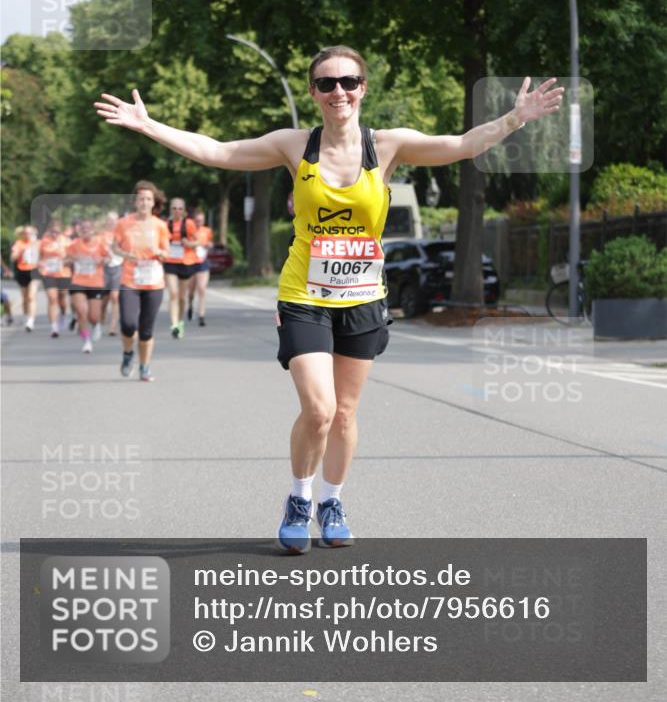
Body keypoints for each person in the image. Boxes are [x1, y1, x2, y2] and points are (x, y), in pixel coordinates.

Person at [95, 46, 563, 551]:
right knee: (318, 409)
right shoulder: (294, 145)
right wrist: (150, 126)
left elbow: (465, 144)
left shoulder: (386, 146)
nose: (338, 91)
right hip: (304, 294)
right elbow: (220, 151)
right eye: (326, 83)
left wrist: (516, 118)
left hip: (362, 296)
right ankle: (299, 497)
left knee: (344, 412)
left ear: (363, 87)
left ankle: (332, 500)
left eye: (348, 81)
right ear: (314, 93)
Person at [112, 181, 170, 382]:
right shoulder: (123, 223)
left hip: (153, 281)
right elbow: (115, 248)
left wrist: (160, 253)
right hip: (130, 280)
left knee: (146, 329)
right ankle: (128, 353)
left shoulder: (160, 225)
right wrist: (126, 254)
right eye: (141, 199)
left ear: (153, 202)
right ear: (135, 201)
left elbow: (167, 252)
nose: (144, 202)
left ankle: (144, 367)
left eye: (148, 199)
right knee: (128, 324)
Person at [66, 219, 109, 353]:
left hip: (95, 282)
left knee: (94, 316)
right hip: (78, 282)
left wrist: (101, 260)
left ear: (93, 230)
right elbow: (64, 260)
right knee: (81, 312)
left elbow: (109, 258)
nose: (85, 231)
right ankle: (86, 341)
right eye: (82, 229)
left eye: (88, 229)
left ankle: (96, 325)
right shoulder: (74, 244)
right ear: (79, 231)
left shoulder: (100, 243)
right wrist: (73, 259)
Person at [162, 198, 198, 340]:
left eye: (180, 208)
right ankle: (174, 325)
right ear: (170, 209)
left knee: (182, 297)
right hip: (171, 261)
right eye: (174, 208)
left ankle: (181, 322)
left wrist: (188, 243)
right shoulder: (166, 224)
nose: (177, 211)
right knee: (173, 293)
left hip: (186, 262)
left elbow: (197, 242)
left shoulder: (189, 224)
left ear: (184, 211)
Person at [38, 219, 71, 337]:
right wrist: (40, 263)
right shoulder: (43, 241)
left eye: (57, 232)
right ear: (48, 230)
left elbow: (72, 257)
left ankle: (62, 314)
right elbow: (38, 256)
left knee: (62, 298)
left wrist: (64, 261)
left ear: (60, 231)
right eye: (52, 232)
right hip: (48, 273)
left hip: (63, 273)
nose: (54, 234)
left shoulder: (67, 241)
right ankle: (54, 327)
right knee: (52, 298)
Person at [10, 226, 40, 331]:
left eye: (30, 233)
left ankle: (31, 321)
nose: (27, 235)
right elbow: (12, 258)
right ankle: (26, 315)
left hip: (34, 272)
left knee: (31, 297)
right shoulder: (19, 243)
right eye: (25, 233)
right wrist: (20, 251)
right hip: (22, 272)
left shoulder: (38, 244)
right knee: (25, 297)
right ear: (23, 234)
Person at [187, 208, 212, 326]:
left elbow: (210, 243)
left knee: (201, 289)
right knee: (191, 291)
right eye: (197, 221)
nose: (199, 223)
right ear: (193, 221)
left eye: (201, 221)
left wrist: (208, 245)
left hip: (203, 263)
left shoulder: (207, 231)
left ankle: (201, 315)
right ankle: (190, 306)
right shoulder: (189, 231)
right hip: (191, 262)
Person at [101, 211, 122, 336]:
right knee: (105, 298)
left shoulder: (122, 234)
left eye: (114, 220)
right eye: (109, 220)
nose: (112, 222)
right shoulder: (101, 235)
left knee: (115, 296)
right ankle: (102, 313)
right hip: (104, 268)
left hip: (118, 266)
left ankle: (113, 325)